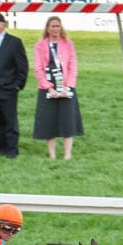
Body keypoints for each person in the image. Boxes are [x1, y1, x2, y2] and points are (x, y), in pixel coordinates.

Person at [32, 16, 84, 160]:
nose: (55, 29)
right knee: (49, 121)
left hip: (66, 87)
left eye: (58, 26)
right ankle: (52, 154)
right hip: (48, 88)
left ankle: (68, 154)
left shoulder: (68, 44)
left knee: (68, 120)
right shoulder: (40, 46)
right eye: (53, 26)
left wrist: (68, 87)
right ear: (47, 29)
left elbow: (73, 66)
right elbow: (38, 69)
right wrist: (49, 88)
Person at [0, 13, 29, 159]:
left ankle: (12, 150)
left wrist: (17, 85)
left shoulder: (14, 42)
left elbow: (22, 66)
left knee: (9, 120)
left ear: (3, 24)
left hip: (7, 88)